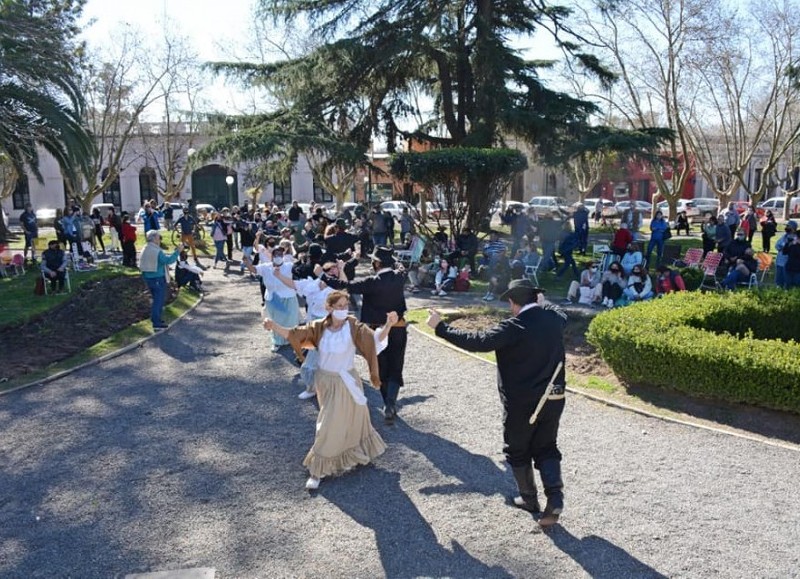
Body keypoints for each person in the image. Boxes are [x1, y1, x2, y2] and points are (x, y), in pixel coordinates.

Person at [426, 279, 568, 528]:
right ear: (537, 299)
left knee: (517, 449)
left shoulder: (514, 326)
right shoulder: (554, 319)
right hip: (554, 397)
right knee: (547, 447)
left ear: (513, 303)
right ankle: (555, 499)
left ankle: (530, 500)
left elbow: (477, 341)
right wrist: (543, 304)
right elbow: (558, 311)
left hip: (521, 403)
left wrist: (441, 328)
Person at [265, 292, 396, 490]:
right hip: (325, 381)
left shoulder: (354, 327)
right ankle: (343, 458)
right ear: (329, 308)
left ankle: (317, 471)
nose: (344, 310)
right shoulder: (318, 327)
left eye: (346, 306)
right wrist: (273, 326)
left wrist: (388, 326)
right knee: (338, 419)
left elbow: (374, 341)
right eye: (339, 306)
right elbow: (294, 334)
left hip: (347, 380)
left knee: (333, 423)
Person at [322, 246, 408, 424]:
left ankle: (387, 403)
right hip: (398, 328)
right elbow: (401, 267)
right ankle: (390, 404)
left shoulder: (371, 282)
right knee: (396, 365)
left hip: (376, 331)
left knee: (382, 367)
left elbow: (344, 286)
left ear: (376, 263)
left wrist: (323, 276)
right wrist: (395, 261)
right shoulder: (399, 277)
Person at [248, 245, 300, 352]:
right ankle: (277, 342)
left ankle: (291, 339)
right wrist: (246, 262)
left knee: (291, 320)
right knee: (275, 321)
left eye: (280, 254)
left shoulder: (290, 266)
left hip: (288, 297)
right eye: (276, 254)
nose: (278, 256)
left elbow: (300, 268)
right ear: (272, 256)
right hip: (273, 299)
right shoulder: (265, 267)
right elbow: (253, 269)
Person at [139, 230, 182, 331]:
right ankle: (156, 322)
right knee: (158, 300)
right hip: (157, 278)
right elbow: (168, 261)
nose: (160, 239)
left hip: (148, 277)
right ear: (154, 238)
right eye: (159, 237)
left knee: (156, 299)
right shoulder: (156, 251)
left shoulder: (145, 248)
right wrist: (177, 252)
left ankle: (157, 319)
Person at [774, 220, 797, 288]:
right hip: (779, 261)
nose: (786, 227)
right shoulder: (784, 236)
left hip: (787, 262)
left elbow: (791, 248)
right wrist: (784, 246)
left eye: (788, 226)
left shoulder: (796, 238)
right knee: (778, 281)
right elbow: (777, 245)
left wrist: (784, 246)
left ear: (793, 228)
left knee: (787, 282)